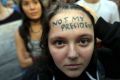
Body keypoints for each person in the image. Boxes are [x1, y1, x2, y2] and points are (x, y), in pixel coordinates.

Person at [23, 3, 103, 80]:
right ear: (47, 44)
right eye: (59, 43)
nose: (72, 55)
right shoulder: (35, 76)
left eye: (83, 41)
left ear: (94, 42)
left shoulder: (106, 65)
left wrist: (103, 26)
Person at [15, 0, 44, 68]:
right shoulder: (21, 31)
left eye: (35, 2)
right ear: (22, 9)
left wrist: (33, 59)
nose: (32, 7)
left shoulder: (52, 23)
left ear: (41, 5)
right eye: (26, 4)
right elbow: (23, 63)